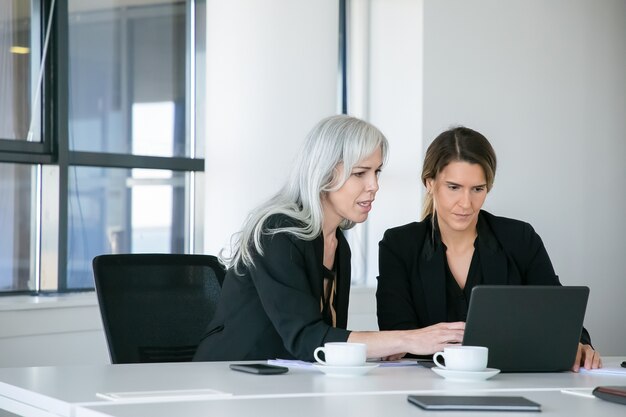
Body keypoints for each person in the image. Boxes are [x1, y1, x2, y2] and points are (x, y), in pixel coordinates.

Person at [193, 115, 464, 362]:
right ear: (323, 173)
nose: (374, 185)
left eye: (376, 172)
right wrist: (408, 339)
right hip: (233, 377)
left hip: (288, 380)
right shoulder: (277, 233)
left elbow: (327, 336)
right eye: (360, 173)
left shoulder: (337, 243)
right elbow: (306, 339)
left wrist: (387, 346)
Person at [376, 126, 602, 371]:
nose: (466, 203)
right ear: (430, 183)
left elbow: (559, 314)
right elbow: (396, 336)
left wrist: (579, 344)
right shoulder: (399, 246)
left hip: (512, 380)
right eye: (453, 187)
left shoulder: (520, 238)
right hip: (426, 384)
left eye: (477, 189)